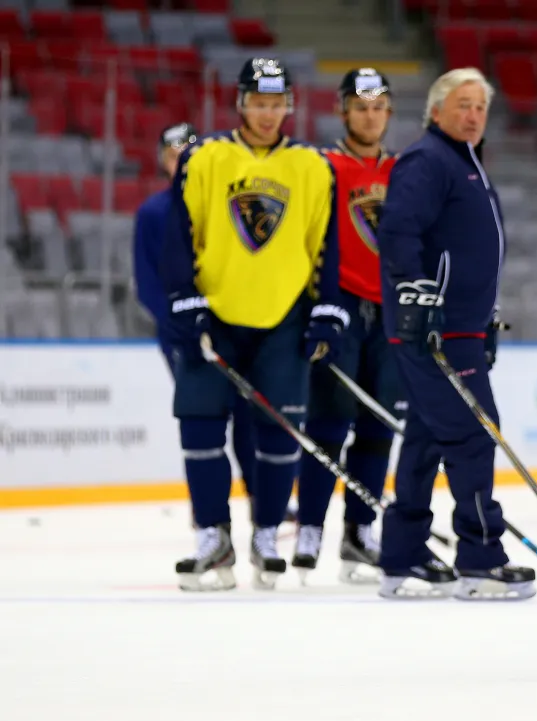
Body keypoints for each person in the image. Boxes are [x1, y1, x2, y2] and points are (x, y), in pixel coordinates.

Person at [162, 58, 347, 592]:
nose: (268, 114)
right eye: (259, 102)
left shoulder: (313, 167)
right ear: (240, 103)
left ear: (289, 105)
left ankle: (266, 533)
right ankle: (212, 536)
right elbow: (181, 233)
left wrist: (327, 311)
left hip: (282, 321)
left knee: (278, 433)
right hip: (214, 316)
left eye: (277, 103)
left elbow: (324, 246)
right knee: (198, 426)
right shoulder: (205, 157)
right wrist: (183, 299)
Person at [376, 67, 532, 601]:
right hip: (434, 330)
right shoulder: (428, 160)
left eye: (481, 107)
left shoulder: (465, 163)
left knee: (425, 437)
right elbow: (397, 229)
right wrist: (416, 292)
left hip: (461, 329)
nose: (473, 115)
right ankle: (480, 557)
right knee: (472, 433)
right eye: (463, 105)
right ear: (437, 111)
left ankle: (402, 555)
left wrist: (481, 318)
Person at [291, 68, 405, 584]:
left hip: (390, 314)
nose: (369, 115)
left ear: (388, 113)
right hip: (339, 307)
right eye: (359, 107)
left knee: (377, 427)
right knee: (328, 424)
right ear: (342, 111)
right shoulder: (322, 165)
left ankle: (360, 532)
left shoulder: (404, 171)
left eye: (378, 107)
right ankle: (310, 529)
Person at [133, 123, 258, 505]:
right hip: (183, 337)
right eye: (174, 157)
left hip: (233, 330)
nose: (183, 163)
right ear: (163, 162)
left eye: (190, 155)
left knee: (249, 416)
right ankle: (206, 507)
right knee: (203, 419)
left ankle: (259, 496)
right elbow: (149, 282)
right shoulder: (154, 212)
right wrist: (181, 324)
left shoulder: (224, 202)